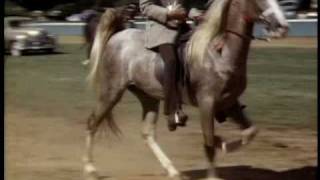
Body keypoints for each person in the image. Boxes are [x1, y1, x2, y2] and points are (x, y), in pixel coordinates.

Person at [140, 0, 206, 131]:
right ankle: (172, 111)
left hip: (184, 30)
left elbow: (186, 7)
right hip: (161, 30)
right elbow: (145, 7)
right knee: (170, 61)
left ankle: (221, 102)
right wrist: (169, 13)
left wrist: (197, 14)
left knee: (206, 52)